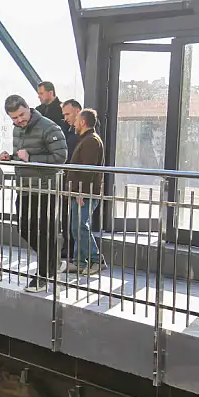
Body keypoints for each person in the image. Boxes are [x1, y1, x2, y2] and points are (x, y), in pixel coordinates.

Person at [0, 95, 68, 293]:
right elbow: (22, 156)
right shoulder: (17, 130)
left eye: (21, 115)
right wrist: (9, 157)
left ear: (28, 108)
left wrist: (32, 158)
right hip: (26, 186)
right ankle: (53, 263)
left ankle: (43, 275)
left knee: (44, 231)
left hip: (46, 188)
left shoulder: (50, 127)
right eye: (14, 118)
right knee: (24, 228)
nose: (19, 120)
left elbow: (60, 157)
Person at [62, 108, 108, 275]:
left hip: (85, 193)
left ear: (82, 122)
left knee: (81, 226)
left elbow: (87, 170)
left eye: (76, 120)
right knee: (76, 227)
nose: (73, 123)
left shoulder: (91, 141)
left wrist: (81, 192)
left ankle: (97, 260)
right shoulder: (86, 139)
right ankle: (79, 262)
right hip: (79, 192)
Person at [59, 98, 83, 260]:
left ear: (77, 111)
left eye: (68, 114)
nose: (66, 117)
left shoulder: (87, 132)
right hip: (67, 179)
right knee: (66, 216)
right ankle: (68, 247)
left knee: (77, 219)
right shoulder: (67, 130)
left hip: (78, 181)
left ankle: (77, 252)